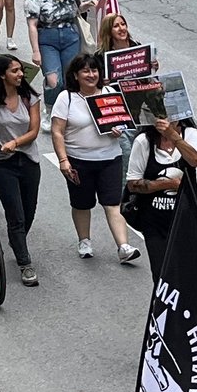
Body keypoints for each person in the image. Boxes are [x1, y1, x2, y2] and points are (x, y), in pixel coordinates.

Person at [49, 54, 142, 265]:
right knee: (82, 204)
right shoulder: (66, 98)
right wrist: (63, 160)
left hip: (110, 158)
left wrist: (118, 129)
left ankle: (123, 247)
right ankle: (84, 241)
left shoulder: (109, 93)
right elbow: (57, 132)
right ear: (76, 75)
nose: (91, 75)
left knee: (112, 203)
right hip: (79, 160)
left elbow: (121, 120)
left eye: (94, 70)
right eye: (85, 71)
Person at [0, 56, 46, 286]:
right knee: (16, 216)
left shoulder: (30, 97)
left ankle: (17, 242)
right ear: (2, 75)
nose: (20, 74)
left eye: (20, 70)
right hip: (2, 163)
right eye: (14, 71)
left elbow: (34, 131)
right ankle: (25, 264)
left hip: (28, 161)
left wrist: (15, 142)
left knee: (29, 211)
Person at [124, 114, 197, 273]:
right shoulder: (144, 141)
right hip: (155, 222)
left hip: (187, 218)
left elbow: (195, 160)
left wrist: (173, 136)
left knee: (191, 272)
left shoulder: (190, 134)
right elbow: (133, 184)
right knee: (163, 273)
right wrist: (168, 183)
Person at [24, 0, 85, 104]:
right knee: (53, 80)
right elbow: (32, 24)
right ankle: (50, 107)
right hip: (47, 39)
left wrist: (89, 4)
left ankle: (65, 109)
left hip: (70, 37)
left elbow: (78, 9)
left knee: (69, 78)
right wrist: (36, 51)